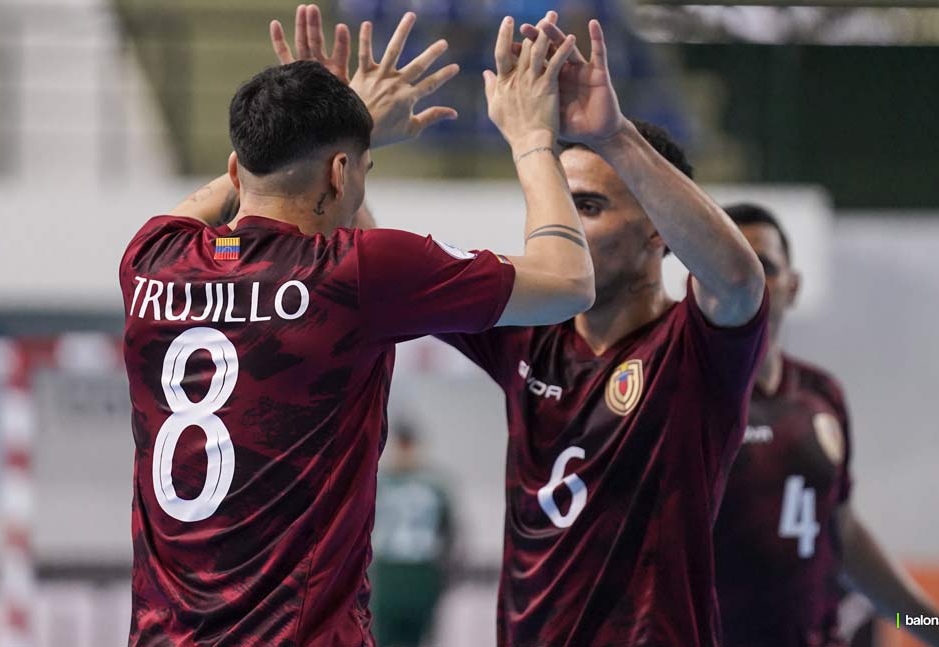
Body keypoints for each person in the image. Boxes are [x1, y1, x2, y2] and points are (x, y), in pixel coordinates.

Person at [120, 7, 594, 645]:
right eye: (362, 170)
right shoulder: (355, 272)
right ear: (341, 173)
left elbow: (232, 185)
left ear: (237, 170)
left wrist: (334, 125)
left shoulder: (152, 259)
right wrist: (533, 136)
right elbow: (569, 281)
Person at [439, 14, 768, 647]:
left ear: (658, 233)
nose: (564, 222)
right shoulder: (528, 332)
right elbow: (366, 269)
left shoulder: (692, 348)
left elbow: (738, 281)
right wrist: (350, 138)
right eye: (560, 201)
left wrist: (613, 136)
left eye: (587, 206)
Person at [714, 204, 939, 647]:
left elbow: (841, 533)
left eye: (763, 266)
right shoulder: (682, 392)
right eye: (727, 264)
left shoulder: (821, 394)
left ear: (794, 286)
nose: (746, 281)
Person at [370, 423, 455, 647]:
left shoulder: (432, 485)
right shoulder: (379, 481)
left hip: (421, 569)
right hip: (388, 570)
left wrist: (444, 571)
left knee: (416, 635)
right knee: (383, 635)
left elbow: (450, 534)